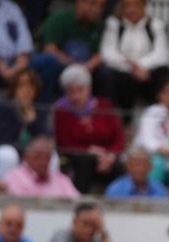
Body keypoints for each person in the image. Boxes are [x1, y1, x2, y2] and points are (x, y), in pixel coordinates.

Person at [53, 64, 124, 193]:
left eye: (80, 90)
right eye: (71, 91)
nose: (76, 96)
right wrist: (89, 151)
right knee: (84, 161)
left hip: (107, 156)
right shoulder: (61, 110)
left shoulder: (105, 105)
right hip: (77, 157)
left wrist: (110, 155)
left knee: (120, 167)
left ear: (89, 89)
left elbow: (118, 138)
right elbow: (64, 142)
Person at [100, 0, 169, 116]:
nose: (131, 10)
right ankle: (122, 120)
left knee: (165, 73)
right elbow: (108, 53)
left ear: (144, 6)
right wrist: (132, 67)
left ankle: (162, 115)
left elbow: (162, 54)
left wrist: (142, 66)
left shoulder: (155, 25)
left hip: (147, 72)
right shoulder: (114, 24)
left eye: (135, 5)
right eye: (126, 6)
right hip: (123, 70)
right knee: (109, 76)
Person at [31, 0, 109, 103]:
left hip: (86, 70)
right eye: (92, 4)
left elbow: (101, 54)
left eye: (101, 6)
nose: (97, 10)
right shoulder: (60, 18)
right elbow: (50, 49)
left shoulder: (100, 25)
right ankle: (43, 108)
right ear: (80, 2)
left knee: (106, 73)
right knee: (47, 61)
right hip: (60, 65)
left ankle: (101, 113)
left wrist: (87, 66)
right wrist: (75, 66)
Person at [0, 67, 47, 183]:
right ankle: (2, 194)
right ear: (14, 88)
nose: (27, 90)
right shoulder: (3, 107)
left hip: (28, 154)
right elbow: (2, 139)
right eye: (22, 85)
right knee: (8, 154)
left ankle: (45, 194)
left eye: (31, 86)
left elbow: (45, 140)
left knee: (51, 157)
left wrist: (32, 121)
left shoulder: (39, 110)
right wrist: (21, 114)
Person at [1, 134, 78, 198]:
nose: (43, 161)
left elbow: (77, 202)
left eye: (47, 157)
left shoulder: (62, 180)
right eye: (38, 156)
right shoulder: (14, 178)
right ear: (27, 157)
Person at [45, 199, 115, 242]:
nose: (89, 230)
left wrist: (102, 232)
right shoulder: (62, 234)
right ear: (74, 222)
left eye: (93, 225)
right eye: (85, 224)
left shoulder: (95, 241)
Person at [0, 0, 31, 90]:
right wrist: (0, 67)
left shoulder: (11, 7)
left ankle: (33, 102)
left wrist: (20, 64)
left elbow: (24, 37)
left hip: (16, 63)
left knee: (46, 62)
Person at [102, 145, 167, 198]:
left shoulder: (160, 190)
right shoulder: (116, 189)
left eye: (144, 165)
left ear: (150, 167)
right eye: (135, 165)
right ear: (128, 167)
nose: (140, 169)